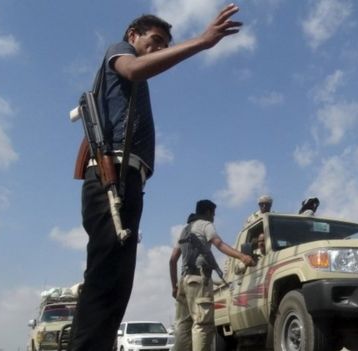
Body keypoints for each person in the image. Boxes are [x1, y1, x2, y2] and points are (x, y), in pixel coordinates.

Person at [71, 6, 243, 351]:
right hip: (112, 176)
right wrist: (202, 42)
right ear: (132, 35)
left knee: (118, 284)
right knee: (105, 279)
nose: (159, 49)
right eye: (155, 41)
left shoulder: (137, 82)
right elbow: (133, 69)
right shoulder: (119, 52)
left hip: (129, 180)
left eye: (164, 45)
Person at [169, 200, 254, 351]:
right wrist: (242, 257)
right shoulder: (205, 225)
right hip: (199, 281)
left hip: (184, 282)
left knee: (183, 326)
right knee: (203, 325)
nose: (214, 217)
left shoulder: (185, 230)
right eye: (213, 214)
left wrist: (174, 287)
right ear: (208, 212)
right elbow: (219, 244)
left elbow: (173, 259)